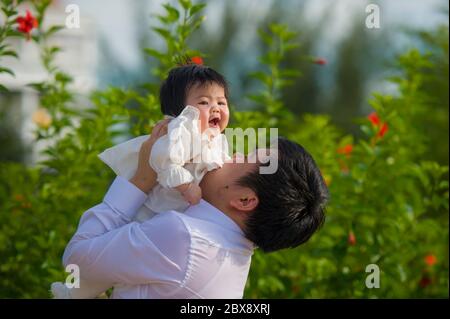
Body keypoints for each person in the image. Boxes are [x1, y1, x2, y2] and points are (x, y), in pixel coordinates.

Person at [56, 118, 329, 298]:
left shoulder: (185, 237)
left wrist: (141, 179)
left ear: (244, 201)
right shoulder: (229, 254)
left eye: (245, 158)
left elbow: (76, 261)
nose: (232, 154)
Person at [51, 63, 233, 298]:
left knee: (126, 265)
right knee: (119, 254)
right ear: (179, 113)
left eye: (221, 102)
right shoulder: (181, 131)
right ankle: (76, 291)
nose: (215, 108)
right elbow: (164, 161)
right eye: (204, 102)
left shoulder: (216, 138)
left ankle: (83, 290)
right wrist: (186, 186)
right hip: (154, 210)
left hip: (175, 223)